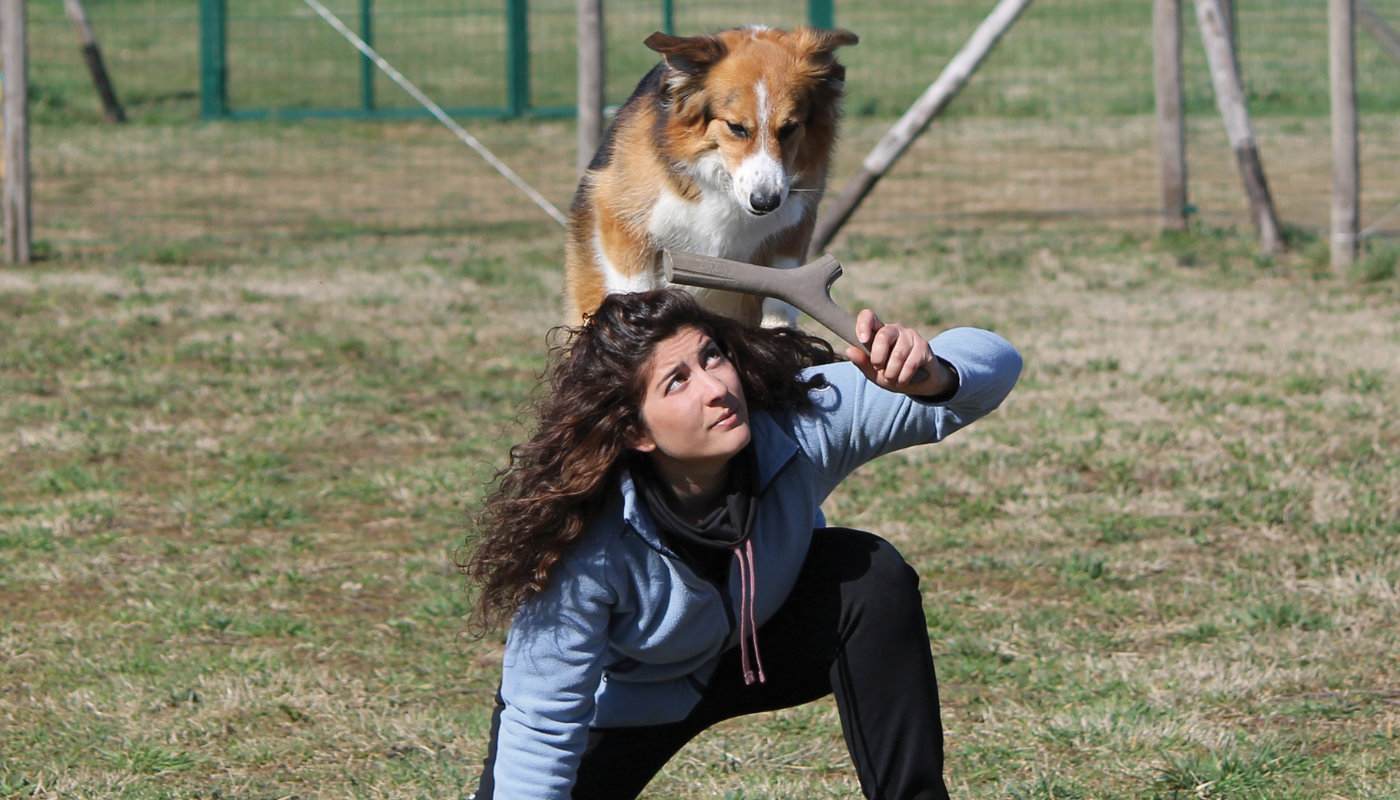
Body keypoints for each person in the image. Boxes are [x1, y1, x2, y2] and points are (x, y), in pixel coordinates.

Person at [461, 288, 1021, 800]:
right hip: (626, 704)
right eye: (676, 382)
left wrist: (934, 374)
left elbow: (996, 362)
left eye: (711, 356)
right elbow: (541, 726)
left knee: (868, 576)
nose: (715, 389)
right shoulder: (583, 540)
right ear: (636, 431)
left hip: (762, 645)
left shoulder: (796, 421)